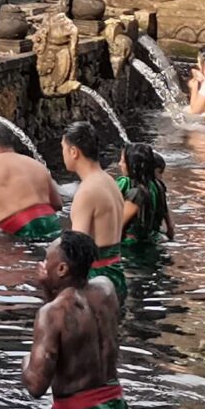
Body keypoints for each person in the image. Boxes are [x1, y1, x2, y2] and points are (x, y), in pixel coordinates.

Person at [23, 231, 125, 409]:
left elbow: (36, 386)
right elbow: (69, 311)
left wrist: (26, 361)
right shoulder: (107, 288)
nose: (43, 265)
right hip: (116, 401)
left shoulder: (50, 314)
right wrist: (48, 288)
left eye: (46, 259)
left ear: (62, 269)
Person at [61, 122, 129, 301]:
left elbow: (77, 251)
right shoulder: (110, 182)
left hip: (96, 281)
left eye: (63, 148)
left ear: (74, 152)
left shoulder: (87, 191)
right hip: (116, 273)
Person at [117, 143, 171, 257]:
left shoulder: (136, 193)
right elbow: (169, 225)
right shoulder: (158, 185)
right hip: (154, 241)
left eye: (123, 161)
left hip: (133, 250)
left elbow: (118, 226)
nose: (119, 164)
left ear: (132, 165)